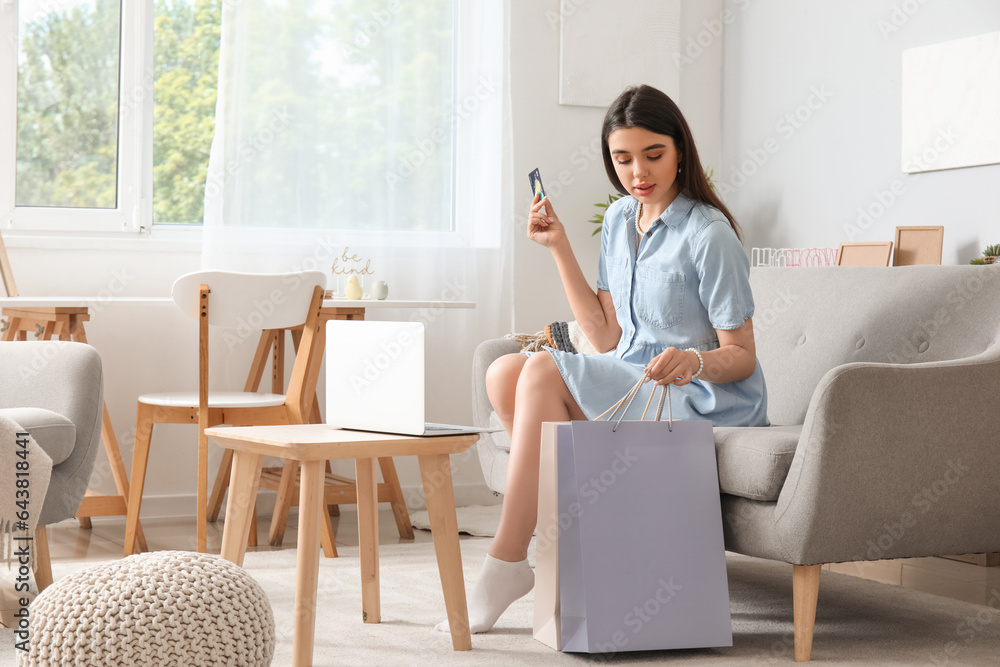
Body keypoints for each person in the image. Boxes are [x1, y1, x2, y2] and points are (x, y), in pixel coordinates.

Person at [437, 84, 768, 636]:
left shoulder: (709, 234)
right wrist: (560, 246)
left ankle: (508, 559)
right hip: (632, 375)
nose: (638, 171)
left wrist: (693, 358)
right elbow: (606, 334)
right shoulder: (619, 220)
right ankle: (567, 537)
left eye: (653, 154)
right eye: (623, 158)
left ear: (680, 150)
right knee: (504, 373)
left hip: (698, 395)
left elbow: (742, 356)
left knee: (541, 369)